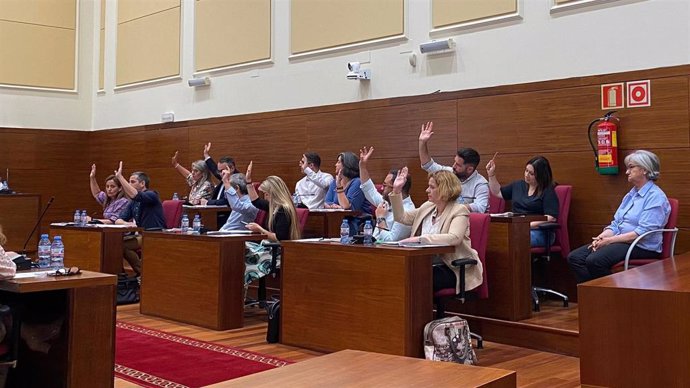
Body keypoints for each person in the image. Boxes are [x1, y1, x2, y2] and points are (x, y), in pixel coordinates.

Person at [568, 150, 671, 283]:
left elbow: (642, 232)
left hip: (641, 245)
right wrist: (603, 236)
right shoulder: (631, 194)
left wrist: (610, 241)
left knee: (595, 260)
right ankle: (596, 296)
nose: (627, 172)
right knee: (575, 258)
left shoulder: (656, 197)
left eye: (631, 167)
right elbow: (617, 223)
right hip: (621, 241)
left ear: (644, 170)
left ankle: (613, 297)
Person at [390, 168, 483, 293]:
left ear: (444, 189)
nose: (427, 190)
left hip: (451, 267)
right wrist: (396, 190)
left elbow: (454, 238)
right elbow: (401, 217)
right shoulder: (427, 206)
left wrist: (420, 240)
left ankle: (419, 312)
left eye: (432, 187)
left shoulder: (459, 210)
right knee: (396, 273)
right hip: (425, 264)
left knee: (417, 278)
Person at [243, 161, 300, 286]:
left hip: (278, 251)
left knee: (245, 255)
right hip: (269, 248)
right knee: (242, 248)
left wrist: (260, 230)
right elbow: (256, 201)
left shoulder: (283, 210)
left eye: (266, 194)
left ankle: (242, 289)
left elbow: (280, 237)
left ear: (273, 193)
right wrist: (248, 182)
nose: (265, 196)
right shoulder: (274, 206)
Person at [486, 155, 559, 247]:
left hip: (539, 231)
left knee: (514, 240)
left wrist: (527, 225)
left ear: (541, 175)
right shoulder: (518, 185)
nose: (526, 175)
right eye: (526, 170)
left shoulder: (547, 190)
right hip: (517, 228)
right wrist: (491, 175)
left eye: (531, 174)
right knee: (495, 238)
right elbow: (497, 192)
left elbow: (551, 217)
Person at [418, 121, 489, 213]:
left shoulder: (480, 183)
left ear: (470, 169)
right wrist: (422, 142)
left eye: (458, 165)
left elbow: (480, 207)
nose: (453, 166)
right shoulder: (450, 173)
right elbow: (428, 165)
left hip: (465, 222)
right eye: (454, 162)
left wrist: (452, 208)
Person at [114, 162, 166, 275]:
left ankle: (143, 274)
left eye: (132, 182)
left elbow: (136, 195)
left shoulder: (152, 195)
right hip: (142, 235)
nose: (129, 184)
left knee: (122, 245)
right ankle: (142, 273)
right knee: (117, 244)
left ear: (142, 183)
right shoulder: (133, 202)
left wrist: (120, 178)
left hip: (155, 234)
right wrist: (125, 223)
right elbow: (118, 219)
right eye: (129, 182)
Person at [359, 146, 415, 242]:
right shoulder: (386, 202)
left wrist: (380, 218)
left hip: (390, 253)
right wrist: (362, 166)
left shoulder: (407, 211)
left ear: (398, 186)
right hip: (373, 247)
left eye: (385, 185)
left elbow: (391, 240)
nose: (381, 188)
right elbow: (369, 190)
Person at [201, 142, 236, 226]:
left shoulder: (236, 181)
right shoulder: (224, 176)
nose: (220, 174)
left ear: (232, 168)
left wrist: (207, 202)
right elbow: (214, 169)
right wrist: (206, 155)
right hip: (215, 215)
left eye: (222, 170)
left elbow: (227, 201)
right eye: (219, 171)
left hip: (226, 218)